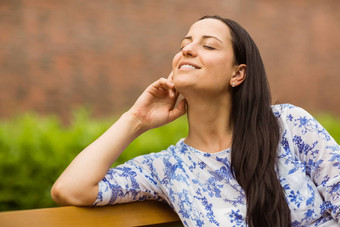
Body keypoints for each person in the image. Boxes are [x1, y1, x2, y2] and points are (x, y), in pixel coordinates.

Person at [51, 15, 340, 227]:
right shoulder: (169, 169)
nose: (187, 50)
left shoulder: (289, 125)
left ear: (237, 74)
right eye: (185, 44)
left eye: (209, 46)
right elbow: (70, 189)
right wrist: (136, 120)